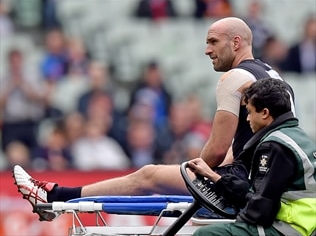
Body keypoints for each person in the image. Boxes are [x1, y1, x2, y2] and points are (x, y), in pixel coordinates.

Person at [12, 17, 295, 221]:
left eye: (213, 42)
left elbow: (216, 152)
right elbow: (250, 143)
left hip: (245, 182)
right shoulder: (273, 76)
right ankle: (59, 197)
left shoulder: (233, 79)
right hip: (270, 178)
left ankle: (55, 197)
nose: (207, 50)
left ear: (236, 42)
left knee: (148, 176)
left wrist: (192, 173)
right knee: (164, 182)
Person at [191, 78, 316, 236]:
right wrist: (214, 177)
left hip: (289, 228)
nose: (248, 118)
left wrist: (238, 222)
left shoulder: (273, 146)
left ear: (265, 113)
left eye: (250, 112)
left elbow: (261, 208)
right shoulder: (297, 137)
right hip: (307, 227)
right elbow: (259, 193)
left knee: (205, 234)